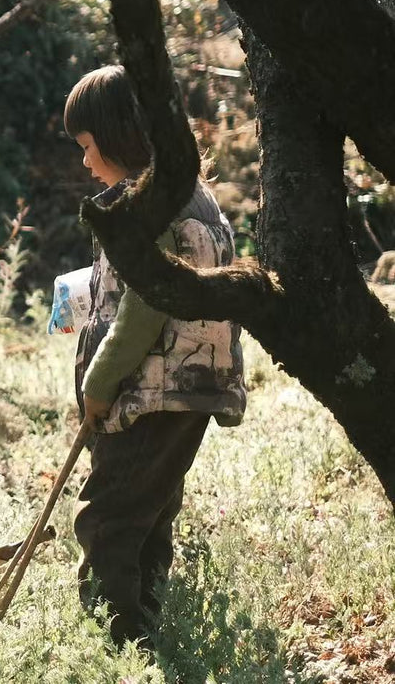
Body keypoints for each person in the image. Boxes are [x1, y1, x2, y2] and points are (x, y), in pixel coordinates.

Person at [64, 64, 246, 647]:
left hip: (149, 392)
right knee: (151, 511)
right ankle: (146, 624)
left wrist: (98, 383)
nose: (87, 164)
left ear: (120, 135)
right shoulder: (197, 200)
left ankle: (114, 641)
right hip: (189, 389)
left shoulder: (148, 209)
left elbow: (142, 312)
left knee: (110, 517)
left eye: (89, 148)